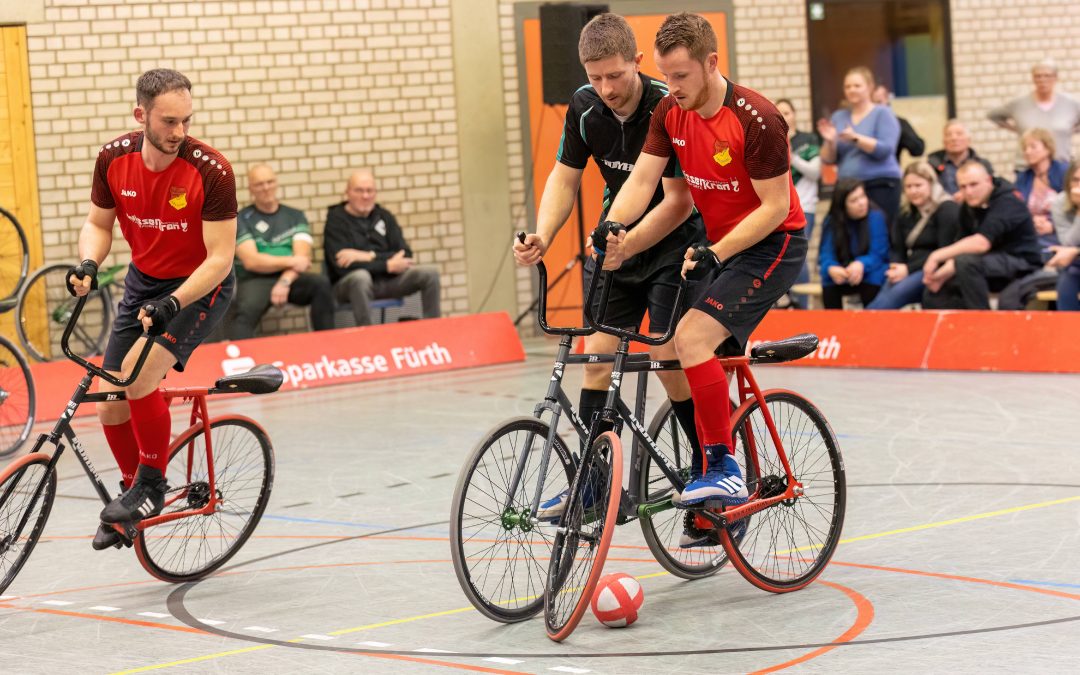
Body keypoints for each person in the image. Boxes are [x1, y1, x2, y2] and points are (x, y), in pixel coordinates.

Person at [600, 12, 807, 543]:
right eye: (666, 78)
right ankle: (710, 472)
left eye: (682, 76)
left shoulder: (756, 118)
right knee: (664, 348)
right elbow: (650, 186)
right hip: (720, 250)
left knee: (692, 337)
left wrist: (716, 251)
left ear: (712, 63)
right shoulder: (671, 112)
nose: (672, 89)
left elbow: (775, 207)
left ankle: (725, 469)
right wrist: (615, 232)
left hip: (771, 247)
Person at [513, 14, 703, 523]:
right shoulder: (584, 106)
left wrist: (627, 241)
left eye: (614, 76)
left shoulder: (670, 106)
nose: (605, 88)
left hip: (672, 244)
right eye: (595, 77)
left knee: (666, 356)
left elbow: (677, 201)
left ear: (637, 63)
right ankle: (596, 484)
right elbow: (564, 178)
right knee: (595, 358)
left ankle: (709, 472)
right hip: (615, 240)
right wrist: (544, 235)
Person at [67, 69, 237, 550]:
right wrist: (87, 262)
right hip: (144, 283)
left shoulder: (211, 170)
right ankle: (132, 491)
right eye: (168, 121)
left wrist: (173, 301)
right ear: (141, 115)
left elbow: (221, 257)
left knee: (139, 378)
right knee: (110, 401)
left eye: (186, 121)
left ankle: (153, 486)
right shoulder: (114, 159)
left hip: (199, 286)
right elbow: (98, 224)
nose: (179, 132)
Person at [227, 164, 334, 339]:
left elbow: (303, 256)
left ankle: (328, 349)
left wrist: (285, 280)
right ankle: (240, 362)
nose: (266, 188)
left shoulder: (295, 216)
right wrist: (291, 261)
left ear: (276, 183)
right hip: (255, 279)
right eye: (259, 184)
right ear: (250, 188)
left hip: (290, 277)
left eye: (269, 182)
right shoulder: (240, 219)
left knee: (321, 285)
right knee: (244, 313)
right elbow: (252, 262)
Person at [323, 170, 441, 325]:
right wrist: (386, 264)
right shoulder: (335, 220)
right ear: (347, 193)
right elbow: (341, 266)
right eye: (359, 190)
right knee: (360, 277)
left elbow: (405, 254)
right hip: (349, 286)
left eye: (369, 191)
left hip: (388, 282)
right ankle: (369, 337)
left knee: (430, 274)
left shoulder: (384, 216)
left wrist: (367, 256)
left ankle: (433, 330)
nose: (365, 196)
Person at [922, 160, 1042, 309]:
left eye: (974, 184)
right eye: (963, 187)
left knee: (966, 263)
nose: (969, 192)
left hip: (1022, 263)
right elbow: (963, 249)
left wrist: (936, 255)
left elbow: (981, 244)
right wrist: (940, 276)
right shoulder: (969, 206)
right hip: (988, 265)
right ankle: (958, 329)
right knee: (935, 292)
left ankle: (981, 323)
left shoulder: (1008, 201)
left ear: (988, 181)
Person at [867, 162, 960, 309]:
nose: (913, 191)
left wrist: (908, 269)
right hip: (908, 268)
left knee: (887, 302)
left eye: (918, 185)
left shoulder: (947, 209)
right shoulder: (905, 211)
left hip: (933, 269)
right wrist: (896, 267)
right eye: (908, 187)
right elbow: (897, 247)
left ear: (931, 184)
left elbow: (944, 250)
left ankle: (858, 328)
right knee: (881, 298)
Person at [818, 67, 903, 224]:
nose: (852, 90)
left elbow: (885, 150)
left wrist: (856, 138)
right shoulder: (839, 116)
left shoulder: (883, 113)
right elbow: (828, 159)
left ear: (870, 87)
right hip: (848, 186)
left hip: (880, 184)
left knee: (882, 232)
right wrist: (830, 141)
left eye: (857, 86)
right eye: (847, 87)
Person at [998, 129, 1068, 309]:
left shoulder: (1064, 171)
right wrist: (1030, 222)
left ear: (1047, 149)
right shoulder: (1023, 177)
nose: (1027, 152)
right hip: (1032, 237)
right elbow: (1015, 208)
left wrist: (1052, 225)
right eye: (1025, 148)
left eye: (1033, 147)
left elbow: (1073, 207)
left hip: (1060, 236)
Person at [988, 60, 1080, 164]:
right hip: (1027, 167)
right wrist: (1015, 128)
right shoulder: (1019, 104)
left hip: (1061, 166)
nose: (1042, 80)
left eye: (1047, 76)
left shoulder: (1070, 104)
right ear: (1033, 78)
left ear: (1055, 78)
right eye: (1038, 76)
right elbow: (993, 115)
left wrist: (1071, 129)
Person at [817, 179, 890, 309]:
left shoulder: (876, 216)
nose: (862, 203)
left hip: (869, 270)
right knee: (828, 280)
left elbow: (879, 253)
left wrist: (861, 264)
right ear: (843, 205)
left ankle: (870, 323)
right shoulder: (832, 220)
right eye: (854, 200)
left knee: (875, 275)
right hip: (843, 271)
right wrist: (831, 267)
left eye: (863, 196)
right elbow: (826, 253)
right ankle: (833, 325)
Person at [776, 98, 820, 307]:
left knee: (798, 252)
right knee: (780, 253)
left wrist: (791, 156)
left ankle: (803, 305)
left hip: (805, 205)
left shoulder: (807, 139)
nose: (784, 117)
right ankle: (785, 301)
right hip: (779, 207)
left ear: (794, 115)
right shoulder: (772, 139)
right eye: (780, 113)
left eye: (787, 112)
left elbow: (816, 172)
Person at [927, 119, 995, 196]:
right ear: (943, 141)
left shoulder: (982, 165)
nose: (954, 138)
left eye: (959, 134)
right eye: (948, 135)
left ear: (969, 139)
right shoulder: (932, 165)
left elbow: (990, 189)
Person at [1047, 161, 1080, 311]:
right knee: (1067, 280)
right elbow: (1068, 242)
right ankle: (1069, 330)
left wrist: (1076, 251)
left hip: (1075, 256)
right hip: (1074, 264)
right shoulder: (1060, 202)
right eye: (1076, 180)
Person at [871, 83, 926, 162]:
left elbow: (917, 150)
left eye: (879, 102)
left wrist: (899, 128)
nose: (876, 107)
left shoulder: (898, 123)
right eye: (872, 103)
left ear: (887, 101)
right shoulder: (860, 122)